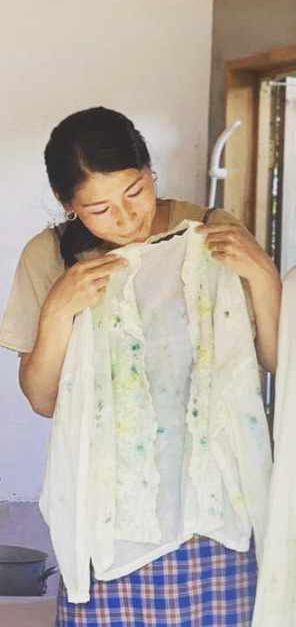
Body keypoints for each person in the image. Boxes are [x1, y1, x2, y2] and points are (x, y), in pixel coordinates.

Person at [0, 106, 280, 626]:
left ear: (151, 171)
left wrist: (263, 275)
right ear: (67, 205)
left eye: (136, 192)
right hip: (111, 517)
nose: (127, 218)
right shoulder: (49, 256)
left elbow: (276, 360)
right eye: (99, 209)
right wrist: (60, 309)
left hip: (215, 505)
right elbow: (41, 399)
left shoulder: (212, 234)